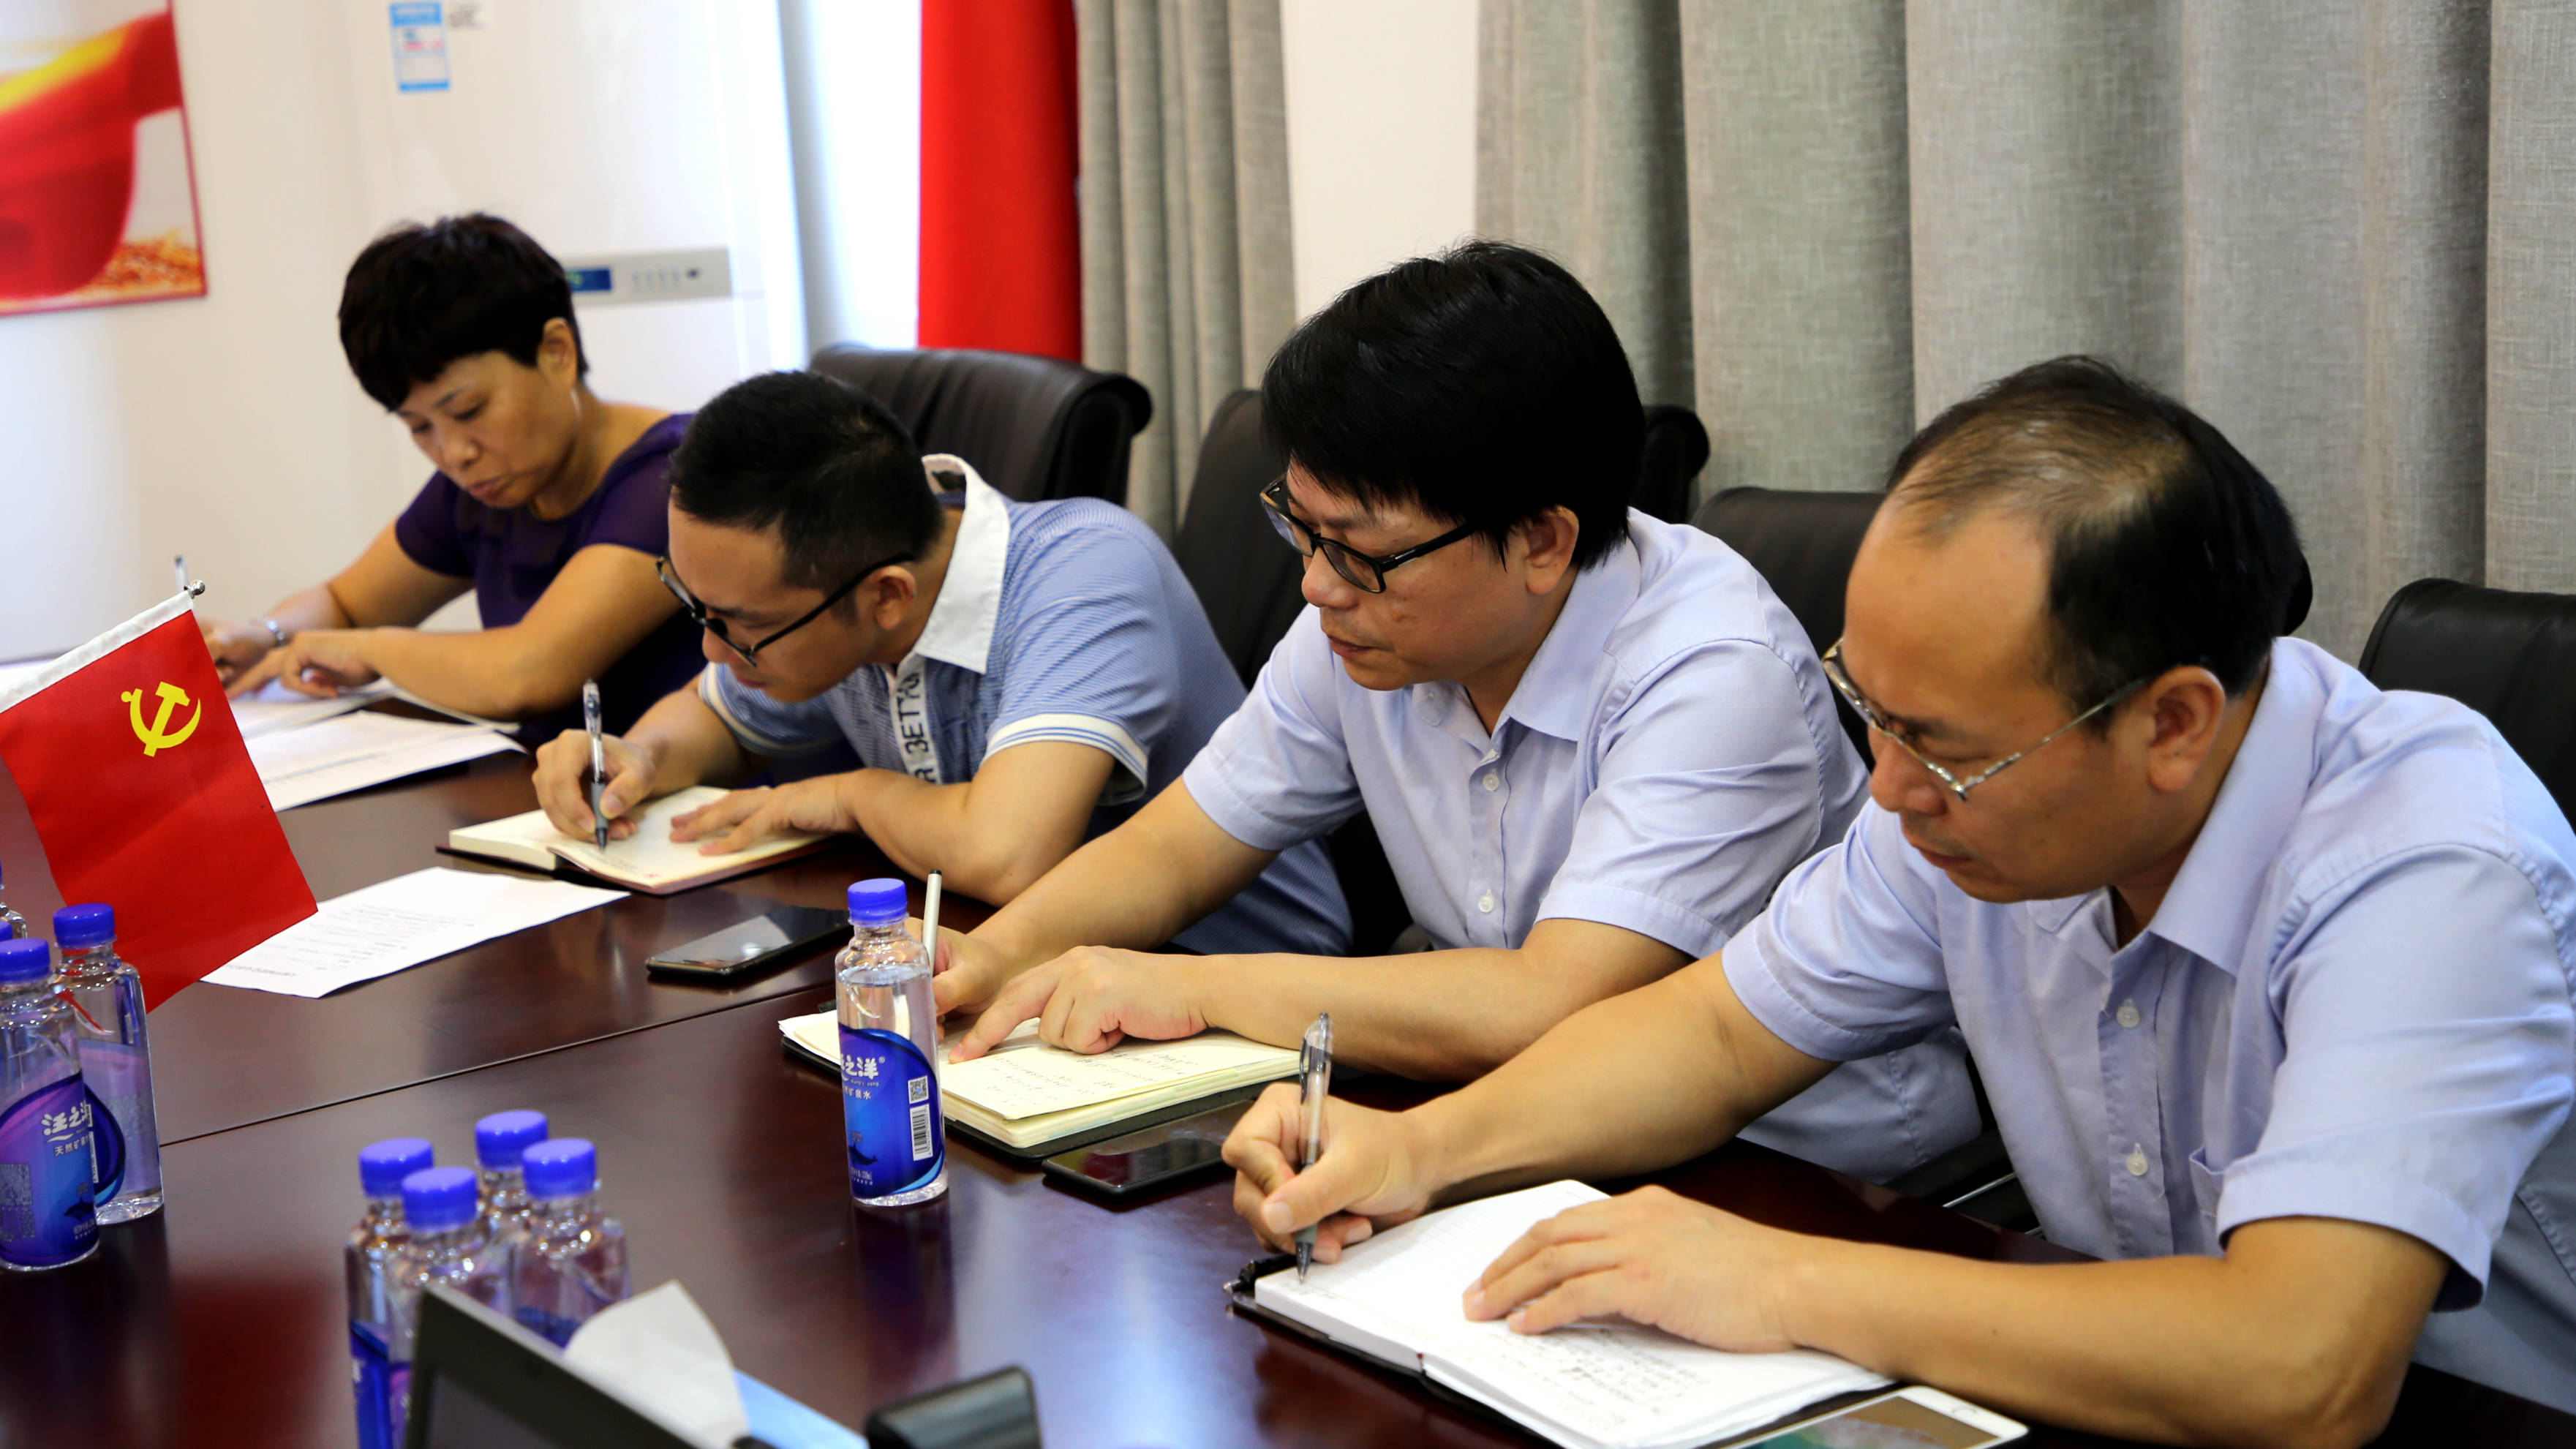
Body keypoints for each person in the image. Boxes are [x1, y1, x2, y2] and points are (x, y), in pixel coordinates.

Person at [1225, 355, 2576, 1441]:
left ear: (2170, 722)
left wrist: (1776, 1278)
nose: (1886, 788)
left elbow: (2301, 1367)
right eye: (1868, 709)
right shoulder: (1966, 806)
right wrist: (1422, 1152)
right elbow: (1713, 1035)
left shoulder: (2427, 866)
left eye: (1937, 744)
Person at [936, 242, 1977, 1185]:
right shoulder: (1366, 616)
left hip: (1800, 1173)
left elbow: (1553, 1003)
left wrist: (1199, 990)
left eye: (1357, 549)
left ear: (1541, 542)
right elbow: (1175, 847)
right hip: (1504, 1123)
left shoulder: (1711, 672)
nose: (1315, 584)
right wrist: (990, 958)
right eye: (1300, 529)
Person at [529, 369, 1347, 944]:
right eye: (696, 606)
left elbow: (1006, 852)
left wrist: (852, 795)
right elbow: (714, 716)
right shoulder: (828, 593)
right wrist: (636, 757)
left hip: (1241, 993)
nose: (712, 646)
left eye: (739, 624)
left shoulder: (1086, 573)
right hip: (1036, 967)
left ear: (886, 597)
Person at [200, 214, 701, 741]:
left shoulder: (675, 476)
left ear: (557, 353)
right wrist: (265, 634)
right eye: (419, 427)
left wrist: (369, 650)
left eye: (469, 410)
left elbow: (528, 673)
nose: (454, 453)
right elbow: (345, 603)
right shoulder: (489, 486)